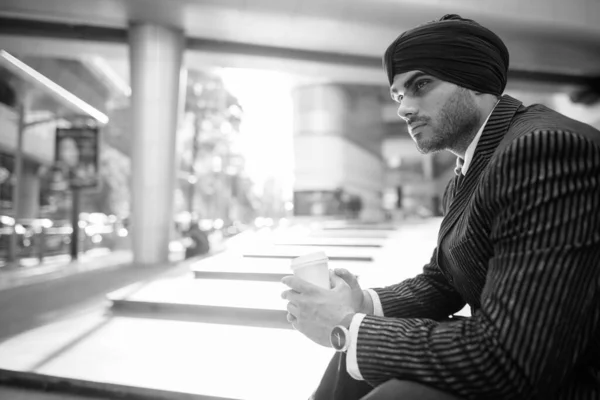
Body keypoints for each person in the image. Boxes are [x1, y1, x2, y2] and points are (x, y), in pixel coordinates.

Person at [281, 14, 600, 400]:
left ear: (475, 79)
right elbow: (445, 280)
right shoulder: (471, 170)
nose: (403, 108)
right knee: (353, 357)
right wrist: (362, 305)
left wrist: (347, 327)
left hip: (568, 382)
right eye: (399, 95)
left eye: (421, 84)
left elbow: (512, 360)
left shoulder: (544, 150)